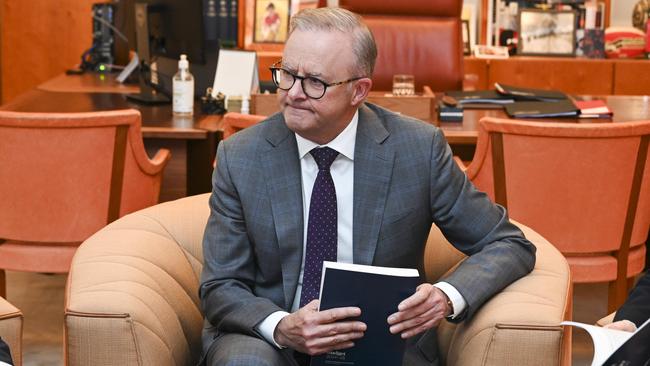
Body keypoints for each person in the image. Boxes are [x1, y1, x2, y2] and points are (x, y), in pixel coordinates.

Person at [199, 7, 536, 366]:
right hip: (270, 337)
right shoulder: (241, 156)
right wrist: (282, 326)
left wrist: (446, 296)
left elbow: (508, 244)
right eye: (286, 74)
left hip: (379, 336)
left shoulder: (417, 150)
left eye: (315, 82)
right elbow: (220, 286)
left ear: (359, 91)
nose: (293, 93)